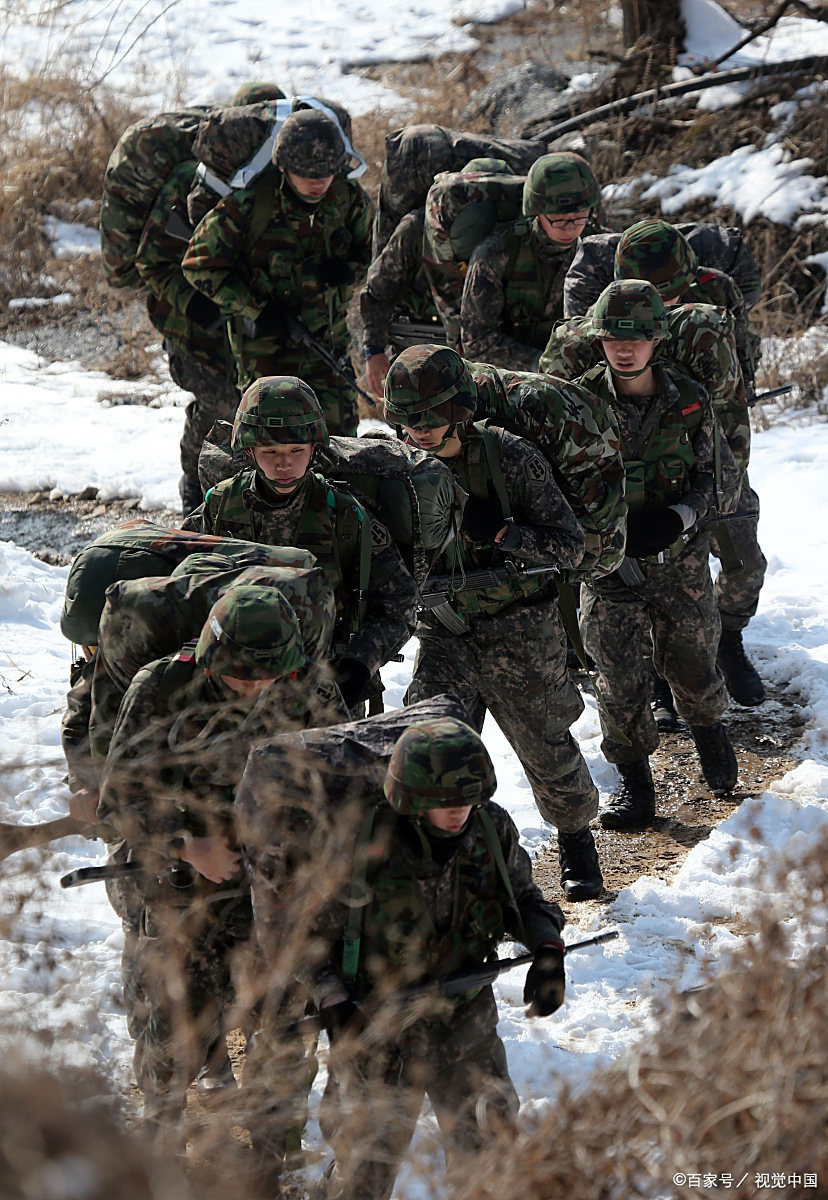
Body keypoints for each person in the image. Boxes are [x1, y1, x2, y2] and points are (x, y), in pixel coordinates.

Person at [96, 586, 344, 1133]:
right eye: (241, 676)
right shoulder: (160, 688)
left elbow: (346, 782)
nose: (255, 688)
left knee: (283, 1020)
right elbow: (120, 801)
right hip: (177, 882)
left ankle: (274, 1154)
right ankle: (161, 1142)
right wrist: (189, 845)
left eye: (267, 676)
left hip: (271, 886)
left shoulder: (309, 689)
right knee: (172, 1026)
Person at [305, 716, 567, 1200]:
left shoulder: (489, 829)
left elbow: (525, 901)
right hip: (377, 1026)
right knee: (364, 1170)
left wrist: (548, 951)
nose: (458, 811)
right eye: (445, 801)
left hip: (464, 1019)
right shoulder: (361, 843)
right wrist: (334, 1003)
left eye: (468, 799)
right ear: (412, 797)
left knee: (491, 1157)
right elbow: (307, 939)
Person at [383, 346, 605, 900]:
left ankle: (578, 847)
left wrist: (506, 535)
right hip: (445, 631)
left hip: (520, 630)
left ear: (459, 410)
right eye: (411, 421)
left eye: (433, 419)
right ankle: (433, 868)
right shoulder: (394, 469)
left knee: (547, 746)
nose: (422, 432)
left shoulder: (509, 459)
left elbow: (570, 546)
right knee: (426, 752)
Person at [574, 280, 740, 828]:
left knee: (692, 662)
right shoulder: (575, 404)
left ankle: (712, 740)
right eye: (612, 338)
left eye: (638, 338)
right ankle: (635, 786)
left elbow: (720, 478)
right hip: (607, 569)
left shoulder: (690, 399)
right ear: (598, 340)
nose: (624, 349)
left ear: (657, 339)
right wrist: (607, 542)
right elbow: (554, 490)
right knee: (619, 680)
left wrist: (679, 519)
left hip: (680, 562)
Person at [182, 376, 418, 711]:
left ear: (314, 449)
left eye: (296, 451)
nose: (284, 464)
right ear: (249, 450)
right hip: (236, 685)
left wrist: (357, 665)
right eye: (270, 451)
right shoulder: (221, 508)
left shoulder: (345, 515)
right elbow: (183, 585)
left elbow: (399, 604)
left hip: (323, 688)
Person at [609, 220, 767, 710]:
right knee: (651, 574)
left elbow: (740, 361)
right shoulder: (617, 309)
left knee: (744, 567)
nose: (665, 306)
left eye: (673, 295)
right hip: (650, 465)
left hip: (721, 452)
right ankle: (659, 671)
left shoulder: (717, 292)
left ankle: (728, 639)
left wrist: (730, 466)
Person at [182, 108, 374, 436]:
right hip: (265, 353)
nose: (319, 183)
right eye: (308, 174)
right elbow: (198, 265)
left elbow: (373, 250)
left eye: (327, 173)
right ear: (283, 166)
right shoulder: (251, 205)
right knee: (274, 449)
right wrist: (259, 310)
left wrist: (350, 271)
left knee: (338, 445)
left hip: (328, 345)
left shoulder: (346, 199)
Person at [459, 152, 602, 370]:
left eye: (580, 216)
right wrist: (544, 365)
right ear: (536, 211)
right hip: (513, 383)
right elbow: (477, 343)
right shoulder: (496, 254)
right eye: (559, 219)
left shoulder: (601, 250)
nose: (571, 228)